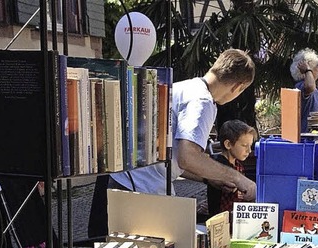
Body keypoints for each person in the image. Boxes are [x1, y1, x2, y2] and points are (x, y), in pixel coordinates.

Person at [89, 49, 257, 237]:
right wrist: (237, 178)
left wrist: (209, 177)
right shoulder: (202, 102)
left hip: (120, 181)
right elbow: (188, 156)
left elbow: (173, 159)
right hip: (138, 192)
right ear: (238, 87)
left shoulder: (184, 87)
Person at [207, 120, 256, 219]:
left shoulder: (238, 165)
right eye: (244, 145)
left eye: (250, 146)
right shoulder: (217, 164)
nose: (249, 151)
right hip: (219, 218)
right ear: (228, 144)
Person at [290, 48, 318, 132]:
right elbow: (310, 87)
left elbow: (317, 98)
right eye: (316, 66)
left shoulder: (310, 87)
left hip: (316, 135)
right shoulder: (302, 85)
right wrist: (307, 70)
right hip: (309, 138)